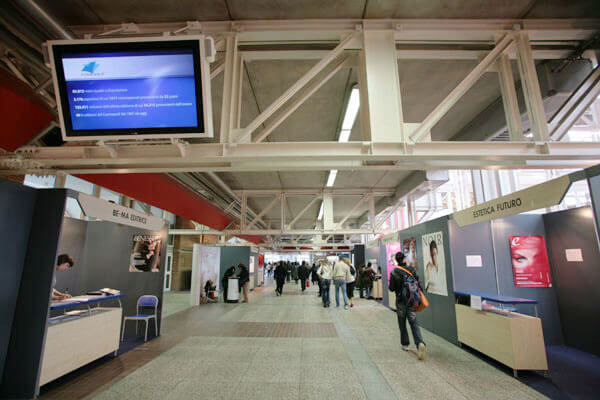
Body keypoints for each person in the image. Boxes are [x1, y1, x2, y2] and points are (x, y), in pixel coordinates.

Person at [389, 252, 426, 360]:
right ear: (404, 259)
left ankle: (405, 344)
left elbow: (391, 288)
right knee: (413, 322)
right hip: (412, 300)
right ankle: (419, 343)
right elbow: (418, 283)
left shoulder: (394, 272)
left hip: (400, 301)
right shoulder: (411, 269)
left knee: (402, 323)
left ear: (396, 260)